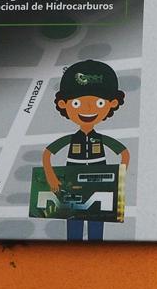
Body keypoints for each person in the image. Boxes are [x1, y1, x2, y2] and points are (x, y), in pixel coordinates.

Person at [39, 59, 130, 242]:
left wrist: (116, 180)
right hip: (73, 182)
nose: (88, 108)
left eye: (99, 103)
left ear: (111, 103)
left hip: (100, 182)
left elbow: (124, 154)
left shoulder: (101, 139)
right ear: (64, 104)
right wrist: (51, 175)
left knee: (97, 222)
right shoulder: (71, 139)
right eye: (76, 104)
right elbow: (48, 153)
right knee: (73, 222)